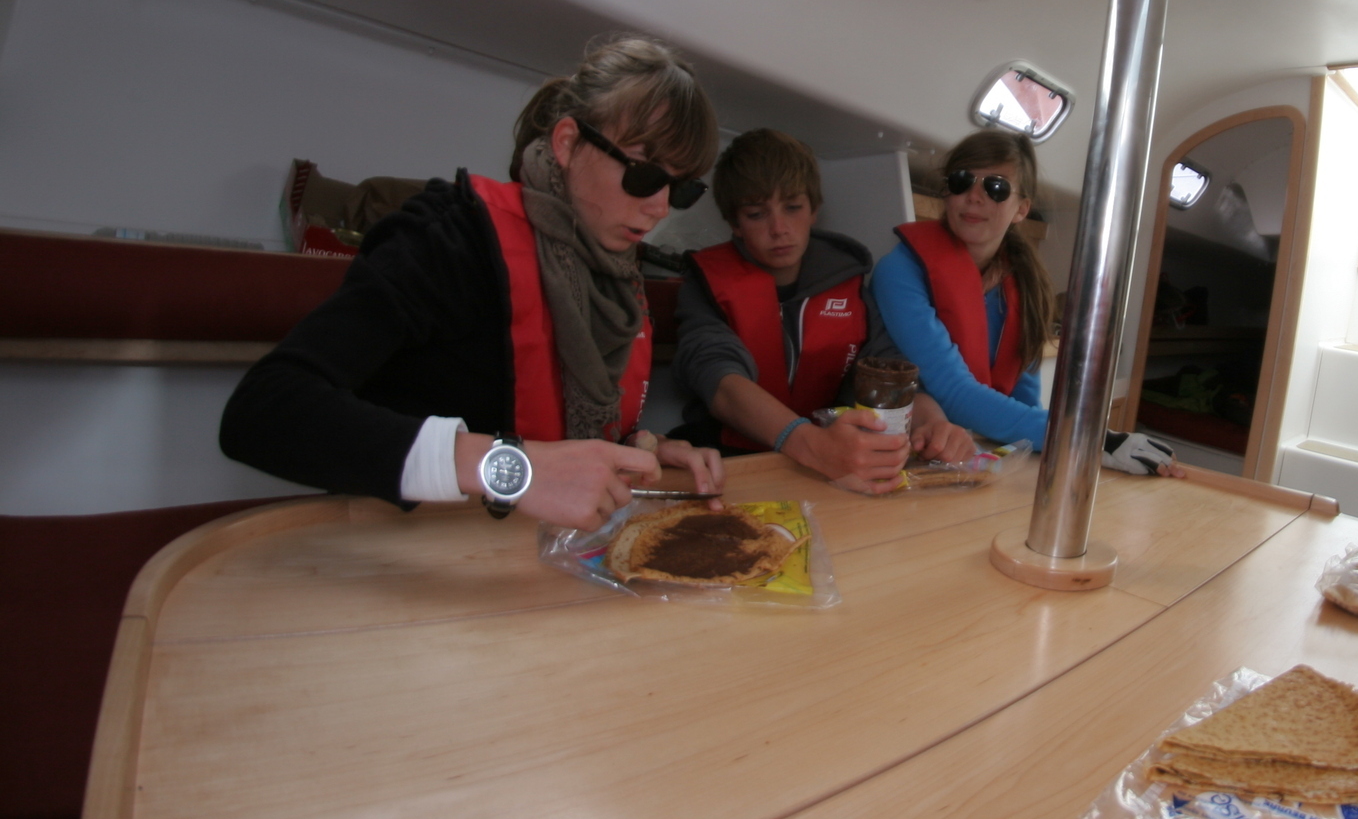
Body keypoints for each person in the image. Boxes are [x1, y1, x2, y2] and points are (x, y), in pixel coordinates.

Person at [220, 34, 727, 529]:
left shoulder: (618, 280)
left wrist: (640, 450)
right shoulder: (448, 238)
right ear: (568, 143)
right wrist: (512, 469)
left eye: (679, 189)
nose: (660, 207)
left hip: (526, 557)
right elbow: (262, 411)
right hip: (414, 550)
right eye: (643, 174)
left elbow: (567, 429)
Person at [671, 128, 974, 493]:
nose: (779, 229)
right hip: (728, 462)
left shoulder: (848, 282)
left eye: (793, 208)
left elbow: (887, 366)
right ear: (735, 223)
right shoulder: (705, 282)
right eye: (756, 214)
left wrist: (933, 423)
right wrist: (811, 445)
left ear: (814, 209)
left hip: (826, 464)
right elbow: (717, 378)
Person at [872, 128, 1178, 475]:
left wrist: (1057, 447)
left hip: (977, 451)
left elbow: (1025, 400)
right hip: (903, 451)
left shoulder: (1026, 289)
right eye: (961, 181)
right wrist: (1087, 438)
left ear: (1021, 209)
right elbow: (952, 391)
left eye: (996, 187)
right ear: (947, 192)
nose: (974, 197)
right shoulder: (899, 272)